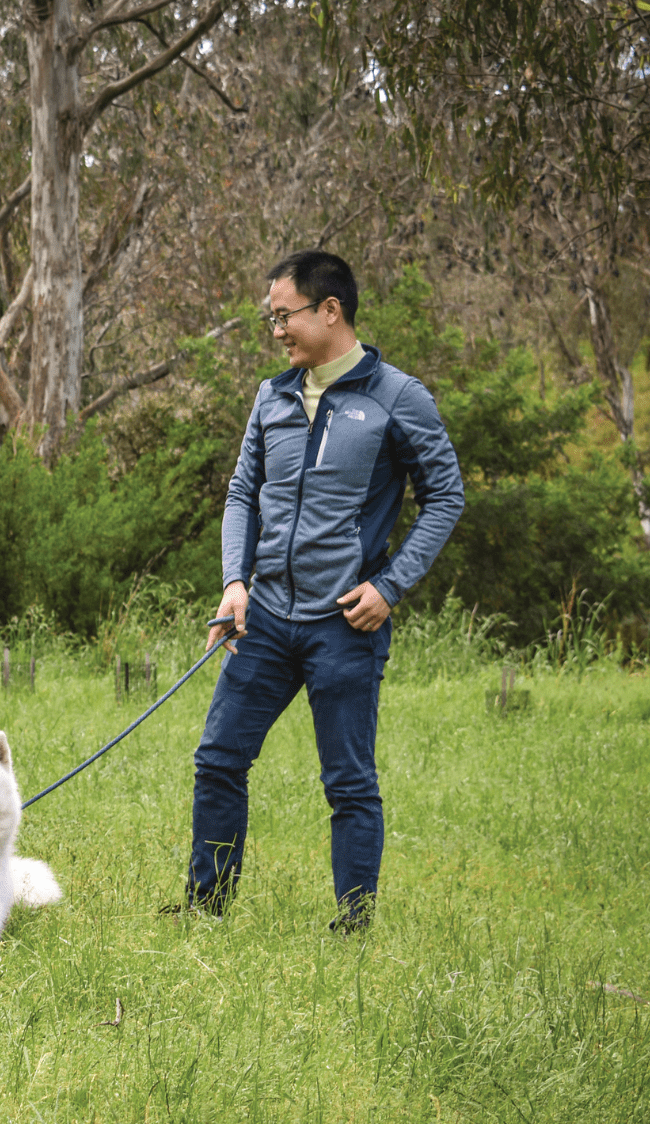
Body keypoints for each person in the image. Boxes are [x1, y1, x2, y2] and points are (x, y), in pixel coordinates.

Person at [189, 249, 465, 930]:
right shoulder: (271, 394)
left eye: (284, 315)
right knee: (218, 760)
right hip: (263, 619)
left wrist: (391, 586)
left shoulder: (399, 398)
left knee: (348, 783)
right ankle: (206, 908)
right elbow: (242, 494)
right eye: (272, 318)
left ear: (330, 311)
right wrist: (234, 582)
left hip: (345, 624)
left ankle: (354, 924)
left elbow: (445, 496)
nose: (276, 330)